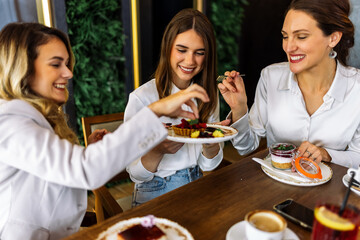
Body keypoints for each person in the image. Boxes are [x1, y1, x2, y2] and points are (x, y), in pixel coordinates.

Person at [0, 22, 210, 240]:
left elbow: (55, 171)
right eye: (56, 64)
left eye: (67, 63)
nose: (68, 73)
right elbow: (84, 171)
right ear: (22, 68)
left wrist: (89, 152)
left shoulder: (35, 118)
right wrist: (155, 111)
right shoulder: (9, 123)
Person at [218, 0, 360, 168]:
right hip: (276, 189)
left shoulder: (356, 89)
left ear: (333, 38)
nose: (289, 47)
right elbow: (246, 147)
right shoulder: (270, 77)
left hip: (331, 192)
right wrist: (239, 108)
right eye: (285, 36)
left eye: (301, 36)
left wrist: (326, 154)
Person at [124, 8, 222, 206]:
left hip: (197, 183)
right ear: (168, 47)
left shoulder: (208, 95)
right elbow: (135, 175)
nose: (190, 61)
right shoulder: (142, 98)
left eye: (199, 53)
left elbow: (208, 164)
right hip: (155, 190)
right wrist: (157, 151)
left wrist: (211, 146)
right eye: (182, 50)